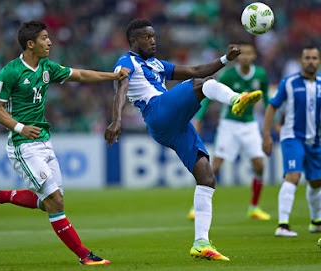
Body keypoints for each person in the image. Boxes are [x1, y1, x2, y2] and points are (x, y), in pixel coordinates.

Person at [104, 19, 263, 261]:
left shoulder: (156, 63)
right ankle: (235, 100)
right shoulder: (125, 62)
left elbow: (194, 70)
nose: (153, 40)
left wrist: (224, 59)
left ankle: (201, 243)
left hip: (173, 126)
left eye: (153, 35)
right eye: (147, 37)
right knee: (202, 86)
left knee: (207, 178)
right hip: (157, 111)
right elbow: (121, 88)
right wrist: (116, 120)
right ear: (133, 41)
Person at [0, 20, 130, 265]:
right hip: (21, 144)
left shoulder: (47, 67)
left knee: (46, 202)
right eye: (44, 38)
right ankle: (84, 255)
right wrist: (20, 127)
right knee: (55, 200)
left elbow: (79, 74)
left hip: (44, 141)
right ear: (30, 44)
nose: (49, 42)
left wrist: (112, 76)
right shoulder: (10, 72)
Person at [189, 42, 270, 221]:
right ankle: (196, 207)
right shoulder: (228, 75)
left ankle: (254, 207)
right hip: (229, 124)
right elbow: (209, 96)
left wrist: (273, 122)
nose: (246, 57)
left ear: (254, 56)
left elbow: (266, 99)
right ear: (238, 56)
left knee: (260, 165)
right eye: (243, 53)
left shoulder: (260, 74)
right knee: (215, 167)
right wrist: (199, 118)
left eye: (250, 53)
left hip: (249, 125)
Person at [263, 45, 321, 237]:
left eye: (314, 58)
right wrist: (267, 135)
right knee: (293, 176)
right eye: (307, 58)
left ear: (318, 61)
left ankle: (315, 221)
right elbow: (272, 107)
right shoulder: (288, 83)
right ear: (301, 61)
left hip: (315, 140)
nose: (311, 61)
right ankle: (283, 225)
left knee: (316, 182)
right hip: (292, 136)